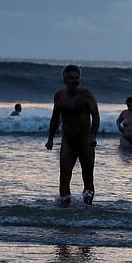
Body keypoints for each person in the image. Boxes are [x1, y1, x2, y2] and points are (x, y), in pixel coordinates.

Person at [45, 65, 100, 207]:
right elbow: (55, 118)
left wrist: (93, 136)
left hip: (85, 141)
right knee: (64, 176)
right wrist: (50, 139)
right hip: (68, 141)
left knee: (87, 177)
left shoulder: (86, 94)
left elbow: (95, 115)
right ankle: (65, 208)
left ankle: (87, 207)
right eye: (71, 78)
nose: (74, 81)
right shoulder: (59, 96)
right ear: (64, 80)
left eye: (77, 78)